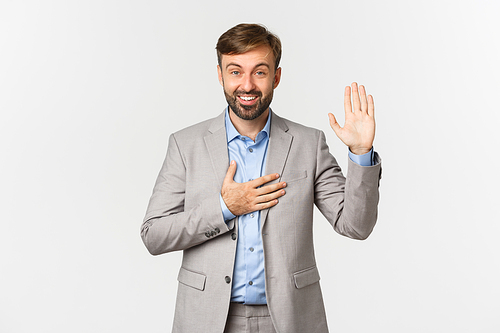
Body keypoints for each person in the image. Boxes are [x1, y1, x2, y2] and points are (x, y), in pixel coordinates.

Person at [141, 23, 381, 333]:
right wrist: (226, 208)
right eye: (236, 71)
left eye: (260, 72)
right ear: (220, 75)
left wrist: (361, 153)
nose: (247, 85)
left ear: (276, 77)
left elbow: (356, 226)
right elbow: (153, 235)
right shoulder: (185, 145)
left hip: (290, 319)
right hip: (208, 319)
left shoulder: (308, 144)